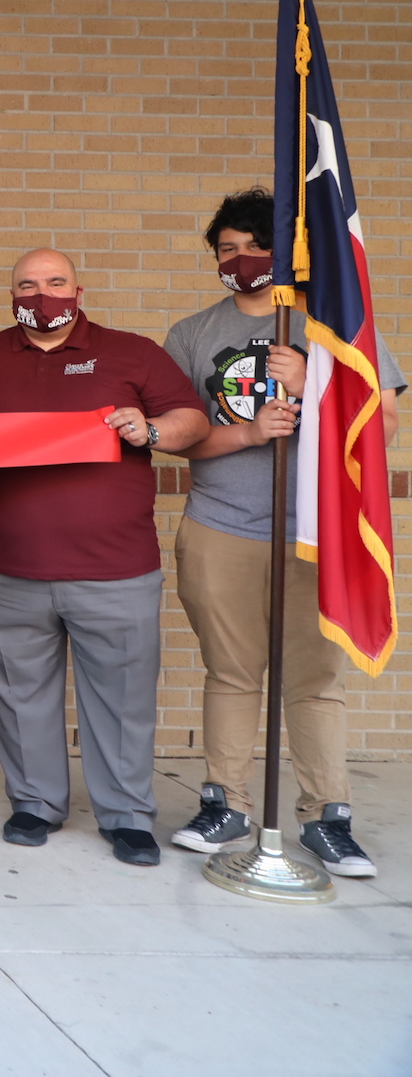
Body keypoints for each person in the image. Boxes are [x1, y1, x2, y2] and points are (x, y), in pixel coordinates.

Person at [0, 249, 208, 866]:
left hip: (115, 570)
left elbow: (191, 420)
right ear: (10, 295)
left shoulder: (131, 352)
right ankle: (34, 803)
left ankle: (127, 817)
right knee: (19, 693)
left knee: (122, 699)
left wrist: (152, 431)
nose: (42, 295)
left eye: (55, 283)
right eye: (27, 286)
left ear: (78, 291)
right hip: (9, 568)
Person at [163, 189, 399, 878]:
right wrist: (246, 431)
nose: (241, 260)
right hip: (221, 525)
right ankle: (226, 805)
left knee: (315, 681)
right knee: (231, 673)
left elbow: (380, 428)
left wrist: (317, 385)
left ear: (288, 254)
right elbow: (183, 439)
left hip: (316, 532)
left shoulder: (336, 328)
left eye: (254, 247)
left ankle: (327, 817)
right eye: (226, 249)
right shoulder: (192, 334)